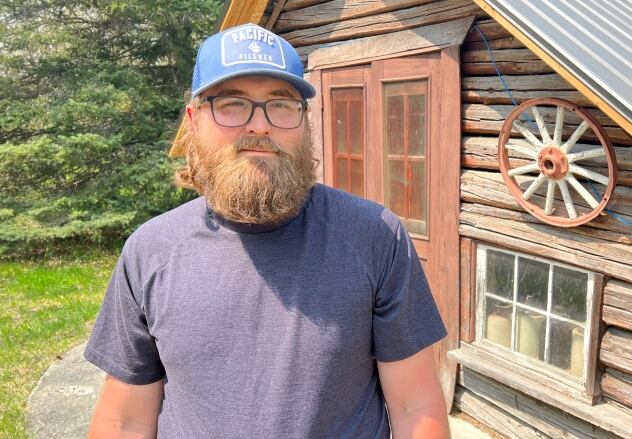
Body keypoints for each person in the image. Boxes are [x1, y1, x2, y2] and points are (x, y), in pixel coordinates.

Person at [84, 23, 450, 438]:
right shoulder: (150, 251)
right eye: (233, 104)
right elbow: (126, 419)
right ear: (193, 119)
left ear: (305, 121)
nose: (259, 126)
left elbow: (415, 407)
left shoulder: (374, 236)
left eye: (281, 105)